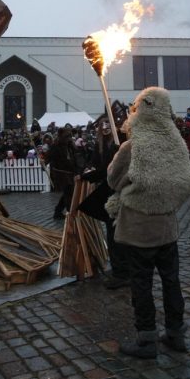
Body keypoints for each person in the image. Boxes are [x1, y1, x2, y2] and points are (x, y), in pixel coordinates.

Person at [107, 87, 190, 358]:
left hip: (139, 228)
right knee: (171, 281)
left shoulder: (133, 146)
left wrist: (119, 158)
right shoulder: (175, 144)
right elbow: (186, 180)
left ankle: (147, 340)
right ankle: (176, 333)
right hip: (167, 227)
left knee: (141, 283)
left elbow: (113, 180)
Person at [79, 107, 130, 289]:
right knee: (111, 230)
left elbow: (112, 169)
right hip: (106, 190)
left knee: (118, 231)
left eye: (108, 123)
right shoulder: (100, 144)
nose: (106, 126)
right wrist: (87, 170)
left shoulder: (120, 142)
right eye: (102, 124)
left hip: (118, 191)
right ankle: (119, 269)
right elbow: (95, 163)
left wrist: (92, 175)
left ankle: (123, 272)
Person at [47, 127, 78, 220]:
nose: (68, 139)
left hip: (69, 172)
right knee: (69, 193)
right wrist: (44, 161)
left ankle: (58, 212)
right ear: (61, 137)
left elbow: (74, 156)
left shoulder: (70, 146)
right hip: (61, 174)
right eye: (66, 137)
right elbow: (49, 157)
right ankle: (70, 213)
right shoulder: (56, 146)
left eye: (69, 137)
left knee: (67, 193)